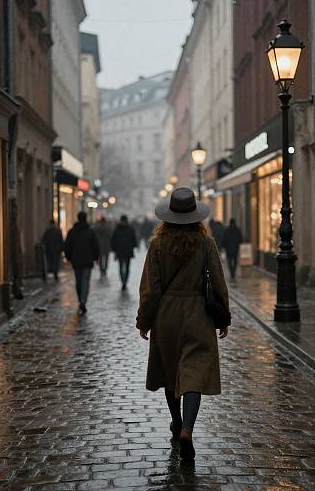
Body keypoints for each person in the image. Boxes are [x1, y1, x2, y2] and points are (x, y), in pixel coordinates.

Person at [136, 187, 230, 461]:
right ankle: (188, 428)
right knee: (194, 374)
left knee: (170, 372)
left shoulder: (157, 245)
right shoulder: (206, 244)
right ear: (195, 217)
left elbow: (150, 289)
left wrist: (145, 320)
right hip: (198, 313)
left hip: (167, 316)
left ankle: (176, 422)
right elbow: (219, 283)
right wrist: (223, 316)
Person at [64, 211, 100, 315]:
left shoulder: (72, 231)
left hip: (76, 260)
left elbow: (67, 246)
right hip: (87, 261)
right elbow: (95, 246)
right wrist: (96, 257)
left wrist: (68, 257)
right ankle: (83, 301)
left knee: (78, 281)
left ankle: (81, 299)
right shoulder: (90, 232)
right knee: (85, 281)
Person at [111, 215, 137, 291]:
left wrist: (114, 249)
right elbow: (134, 240)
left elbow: (113, 240)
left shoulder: (117, 228)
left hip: (119, 251)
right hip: (128, 251)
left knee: (121, 267)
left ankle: (123, 281)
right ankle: (125, 281)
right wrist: (133, 246)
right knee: (127, 267)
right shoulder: (130, 228)